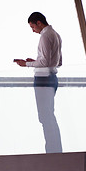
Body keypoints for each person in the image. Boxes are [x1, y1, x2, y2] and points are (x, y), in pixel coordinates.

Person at [14, 12, 62, 153]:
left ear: (39, 23)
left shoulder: (45, 36)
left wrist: (26, 64)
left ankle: (52, 151)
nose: (33, 30)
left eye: (32, 27)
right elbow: (58, 62)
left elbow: (45, 61)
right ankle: (55, 149)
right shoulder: (56, 35)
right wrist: (34, 61)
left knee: (44, 116)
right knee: (49, 115)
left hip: (43, 79)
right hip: (52, 77)